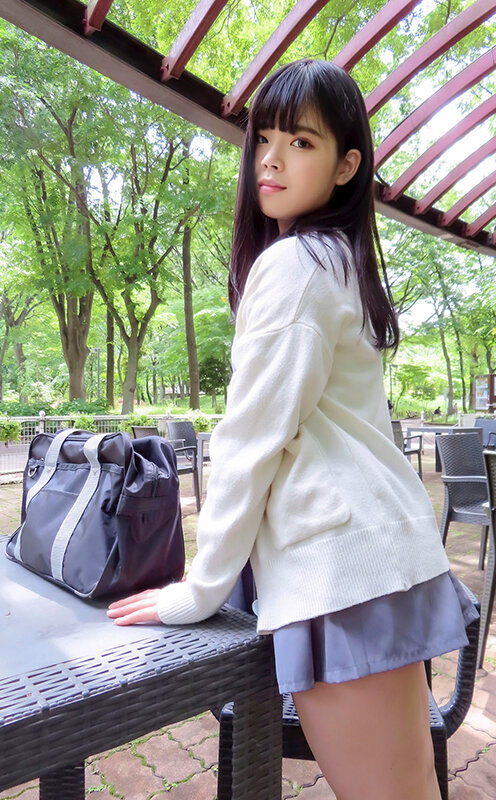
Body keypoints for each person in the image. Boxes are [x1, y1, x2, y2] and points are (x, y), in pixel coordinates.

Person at [108, 59, 477, 800]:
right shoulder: (339, 262)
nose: (271, 159)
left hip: (342, 576)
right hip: (375, 562)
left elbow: (249, 442)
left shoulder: (294, 266)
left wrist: (200, 589)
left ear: (346, 166)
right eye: (264, 140)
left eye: (300, 142)